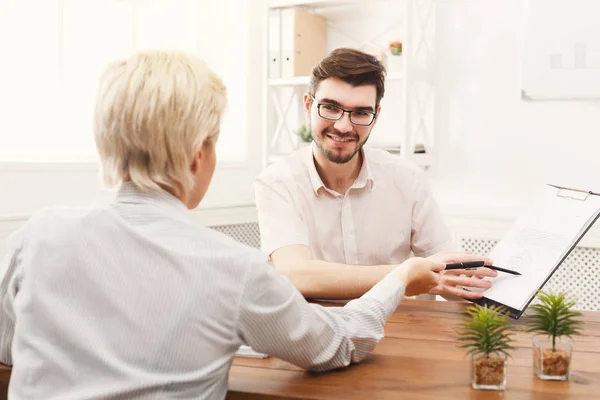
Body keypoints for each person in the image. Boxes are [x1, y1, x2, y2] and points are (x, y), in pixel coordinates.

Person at [0, 51, 445, 399]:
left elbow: (8, 349)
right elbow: (336, 344)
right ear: (198, 155)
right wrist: (401, 276)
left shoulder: (36, 237)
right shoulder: (232, 267)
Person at [254, 47, 497, 301]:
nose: (343, 126)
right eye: (330, 107)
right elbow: (296, 274)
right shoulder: (277, 183)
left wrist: (500, 287)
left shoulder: (408, 180)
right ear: (308, 105)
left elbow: (450, 278)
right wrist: (405, 277)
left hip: (399, 330)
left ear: (376, 116)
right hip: (318, 334)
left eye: (360, 113)